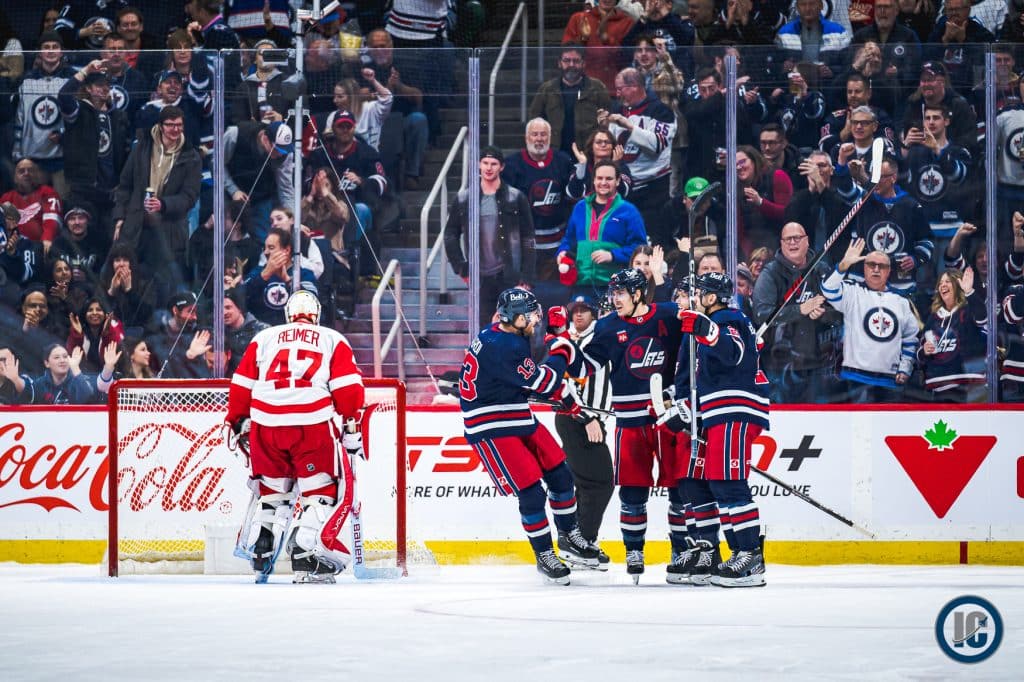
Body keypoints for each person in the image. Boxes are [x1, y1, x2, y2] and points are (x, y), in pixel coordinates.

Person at [457, 287, 599, 584]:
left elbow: (524, 383)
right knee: (532, 492)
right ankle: (544, 554)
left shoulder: (504, 334)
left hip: (514, 412)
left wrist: (564, 396)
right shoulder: (503, 345)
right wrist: (561, 347)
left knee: (560, 475)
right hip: (489, 425)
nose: (536, 319)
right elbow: (544, 382)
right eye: (530, 315)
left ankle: (569, 536)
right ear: (515, 318)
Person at [225, 290, 366, 584]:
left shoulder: (264, 338)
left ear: (288, 315)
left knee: (272, 491)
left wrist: (238, 420)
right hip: (311, 424)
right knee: (320, 491)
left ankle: (262, 547)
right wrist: (351, 421)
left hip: (265, 424)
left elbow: (241, 385)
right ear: (316, 315)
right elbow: (348, 391)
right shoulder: (332, 338)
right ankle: (304, 548)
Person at [575, 268, 686, 582]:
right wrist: (563, 354)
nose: (615, 299)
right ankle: (634, 550)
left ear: (638, 294)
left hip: (667, 419)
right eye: (613, 293)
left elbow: (694, 347)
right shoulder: (608, 326)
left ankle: (682, 550)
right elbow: (585, 366)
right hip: (630, 420)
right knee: (633, 491)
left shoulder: (668, 315)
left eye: (621, 293)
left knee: (679, 490)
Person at [663, 271, 770, 587]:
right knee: (719, 483)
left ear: (711, 298)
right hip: (717, 411)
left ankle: (750, 556)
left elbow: (733, 352)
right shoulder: (714, 322)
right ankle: (740, 553)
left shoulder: (727, 319)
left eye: (699, 294)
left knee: (730, 483)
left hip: (734, 408)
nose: (694, 298)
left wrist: (708, 330)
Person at [549, 295, 614, 569]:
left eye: (584, 310)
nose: (578, 315)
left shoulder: (594, 339)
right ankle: (579, 542)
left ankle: (579, 541)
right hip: (579, 418)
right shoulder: (581, 343)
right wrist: (587, 417)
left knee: (588, 484)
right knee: (599, 483)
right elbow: (566, 384)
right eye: (574, 311)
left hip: (586, 419)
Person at [112, 105, 202, 296]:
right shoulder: (141, 148)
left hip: (168, 229)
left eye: (179, 125)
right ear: (161, 126)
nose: (175, 129)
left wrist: (164, 204)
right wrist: (120, 217)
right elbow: (125, 185)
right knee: (127, 278)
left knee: (164, 285)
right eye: (170, 125)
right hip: (136, 225)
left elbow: (190, 196)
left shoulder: (191, 156)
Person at [444, 146, 536, 330]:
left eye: (493, 164)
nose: (488, 168)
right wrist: (461, 268)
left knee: (513, 329)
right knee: (484, 329)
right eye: (485, 163)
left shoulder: (516, 197)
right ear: (479, 164)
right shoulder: (464, 198)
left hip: (509, 274)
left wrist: (526, 277)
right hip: (480, 276)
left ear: (501, 167)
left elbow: (528, 239)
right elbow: (450, 235)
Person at [752, 221, 843, 403]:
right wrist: (800, 309)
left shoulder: (821, 270)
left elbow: (841, 313)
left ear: (807, 241)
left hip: (819, 365)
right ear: (781, 243)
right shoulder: (770, 274)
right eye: (788, 239)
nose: (792, 243)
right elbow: (761, 315)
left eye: (797, 238)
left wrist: (824, 314)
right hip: (778, 366)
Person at [822, 238, 919, 402]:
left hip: (890, 381)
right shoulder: (852, 291)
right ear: (864, 268)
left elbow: (910, 338)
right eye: (871, 264)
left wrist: (905, 368)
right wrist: (844, 265)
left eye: (882, 266)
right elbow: (828, 289)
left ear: (889, 271)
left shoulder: (901, 301)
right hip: (854, 378)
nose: (876, 269)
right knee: (857, 419)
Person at [599, 67, 676, 252]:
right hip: (624, 187)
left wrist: (630, 127)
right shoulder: (616, 109)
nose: (617, 93)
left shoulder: (661, 111)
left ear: (634, 86)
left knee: (651, 243)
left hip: (654, 189)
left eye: (620, 89)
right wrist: (603, 128)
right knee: (623, 241)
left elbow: (657, 145)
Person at [58, 61, 131, 242]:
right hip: (84, 190)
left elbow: (125, 151)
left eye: (107, 85)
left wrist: (121, 181)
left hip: (110, 191)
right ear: (88, 89)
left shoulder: (118, 115)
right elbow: (63, 96)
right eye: (99, 85)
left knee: (108, 239)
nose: (104, 89)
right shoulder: (79, 111)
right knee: (85, 238)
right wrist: (86, 70)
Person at [556, 160, 647, 300]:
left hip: (616, 287)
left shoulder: (629, 211)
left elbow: (640, 249)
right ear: (593, 180)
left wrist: (613, 255)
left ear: (618, 181)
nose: (603, 182)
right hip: (581, 284)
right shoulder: (580, 207)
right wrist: (562, 252)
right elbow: (569, 239)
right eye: (599, 178)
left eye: (609, 178)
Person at [502, 118, 575, 285]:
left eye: (543, 134)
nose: (539, 139)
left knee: (554, 292)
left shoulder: (563, 160)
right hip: (524, 245)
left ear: (550, 137)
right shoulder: (512, 164)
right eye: (534, 134)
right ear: (527, 137)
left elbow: (574, 195)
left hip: (557, 243)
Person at [917, 267, 987, 401]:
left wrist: (969, 292)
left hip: (969, 385)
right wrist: (924, 350)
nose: (943, 285)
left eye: (948, 281)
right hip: (939, 387)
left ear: (958, 285)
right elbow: (920, 354)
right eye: (940, 283)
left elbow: (983, 318)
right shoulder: (933, 317)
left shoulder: (968, 310)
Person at [528, 44, 611, 155]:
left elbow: (608, 119)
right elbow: (534, 121)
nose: (571, 65)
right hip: (554, 153)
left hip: (588, 152)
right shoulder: (547, 89)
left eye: (576, 61)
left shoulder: (597, 87)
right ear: (559, 63)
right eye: (567, 61)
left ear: (583, 63)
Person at [561, 0, 636, 92]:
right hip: (582, 88)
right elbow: (565, 54)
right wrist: (583, 39)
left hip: (614, 90)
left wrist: (607, 39)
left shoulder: (627, 22)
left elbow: (627, 58)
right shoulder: (579, 18)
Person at [0, 160, 62, 256]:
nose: (26, 173)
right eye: (21, 171)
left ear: (37, 175)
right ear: (15, 178)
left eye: (30, 170)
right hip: (13, 249)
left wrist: (47, 238)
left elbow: (52, 219)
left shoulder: (47, 192)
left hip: (39, 248)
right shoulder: (6, 198)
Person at [566, 128, 633, 200]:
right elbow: (573, 194)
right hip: (586, 206)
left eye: (607, 142)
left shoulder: (621, 166)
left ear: (613, 147)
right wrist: (581, 168)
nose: (603, 145)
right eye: (598, 142)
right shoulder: (582, 167)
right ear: (591, 147)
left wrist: (614, 167)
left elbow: (623, 193)